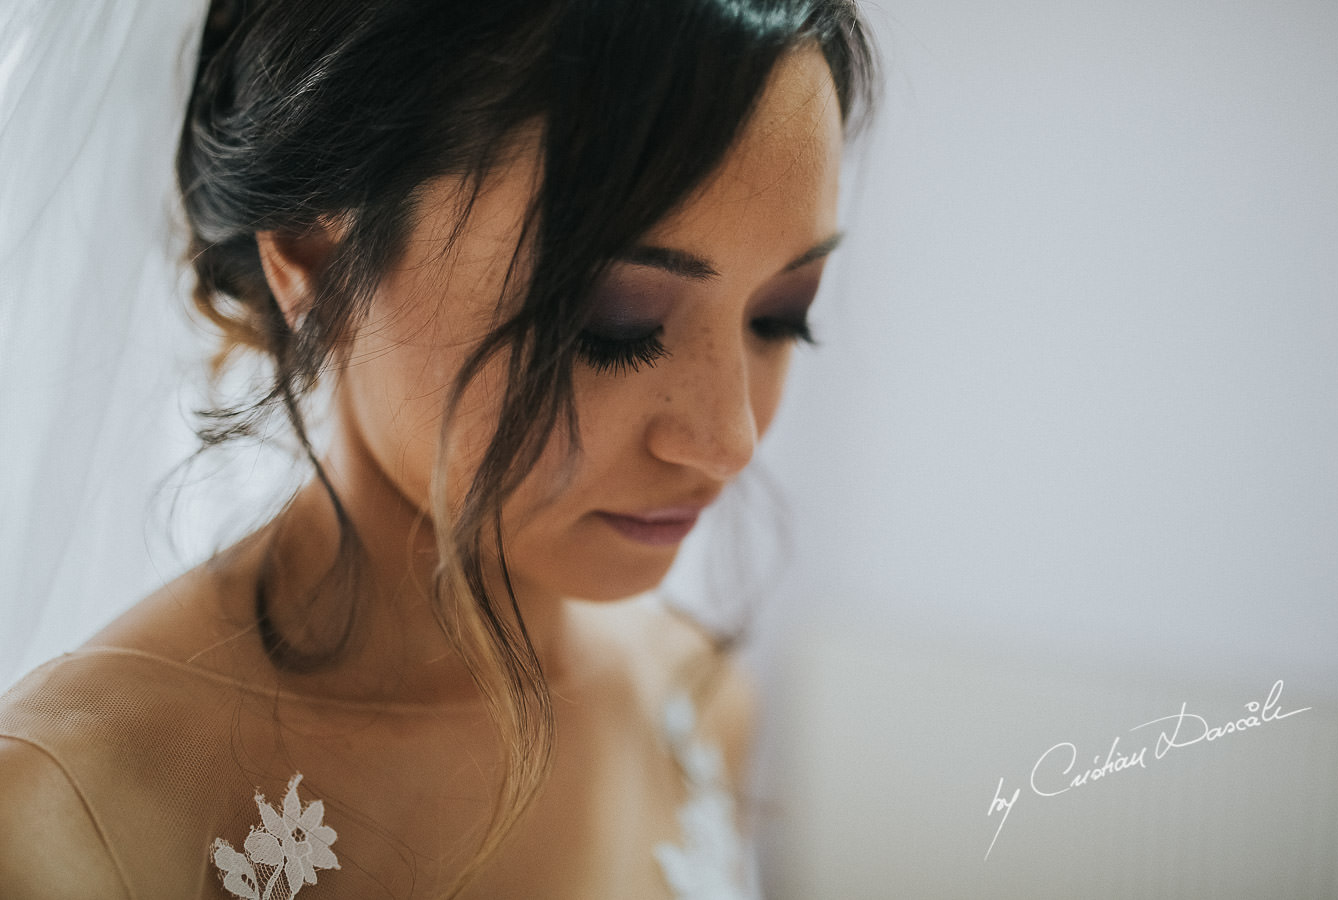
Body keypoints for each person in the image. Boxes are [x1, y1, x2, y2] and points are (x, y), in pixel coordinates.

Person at [0, 0, 874, 896]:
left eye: (779, 317)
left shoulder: (702, 705)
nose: (728, 442)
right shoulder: (66, 819)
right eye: (614, 326)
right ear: (313, 252)